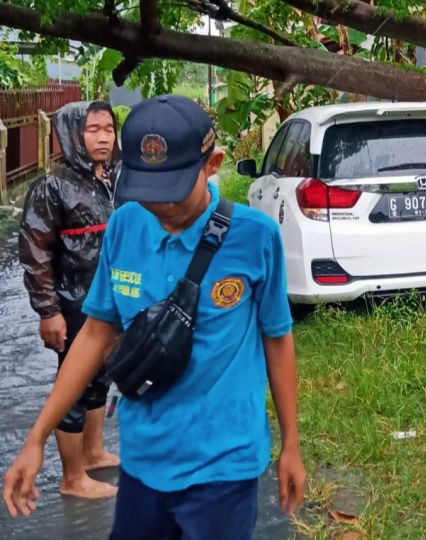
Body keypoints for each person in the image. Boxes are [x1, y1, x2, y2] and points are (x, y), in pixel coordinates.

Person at [4, 95, 306, 539]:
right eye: (147, 190)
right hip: (144, 463)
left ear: (213, 163)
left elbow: (277, 339)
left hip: (224, 466)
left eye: (172, 190)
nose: (160, 206)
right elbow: (94, 335)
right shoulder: (125, 225)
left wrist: (291, 445)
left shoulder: (256, 237)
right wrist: (35, 438)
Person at [18, 100, 121, 499]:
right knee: (74, 383)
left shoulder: (111, 180)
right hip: (72, 302)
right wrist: (49, 312)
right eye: (93, 129)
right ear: (74, 135)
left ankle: (92, 453)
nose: (103, 137)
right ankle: (72, 478)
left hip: (106, 298)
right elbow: (35, 251)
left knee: (99, 377)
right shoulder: (52, 186)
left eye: (108, 129)